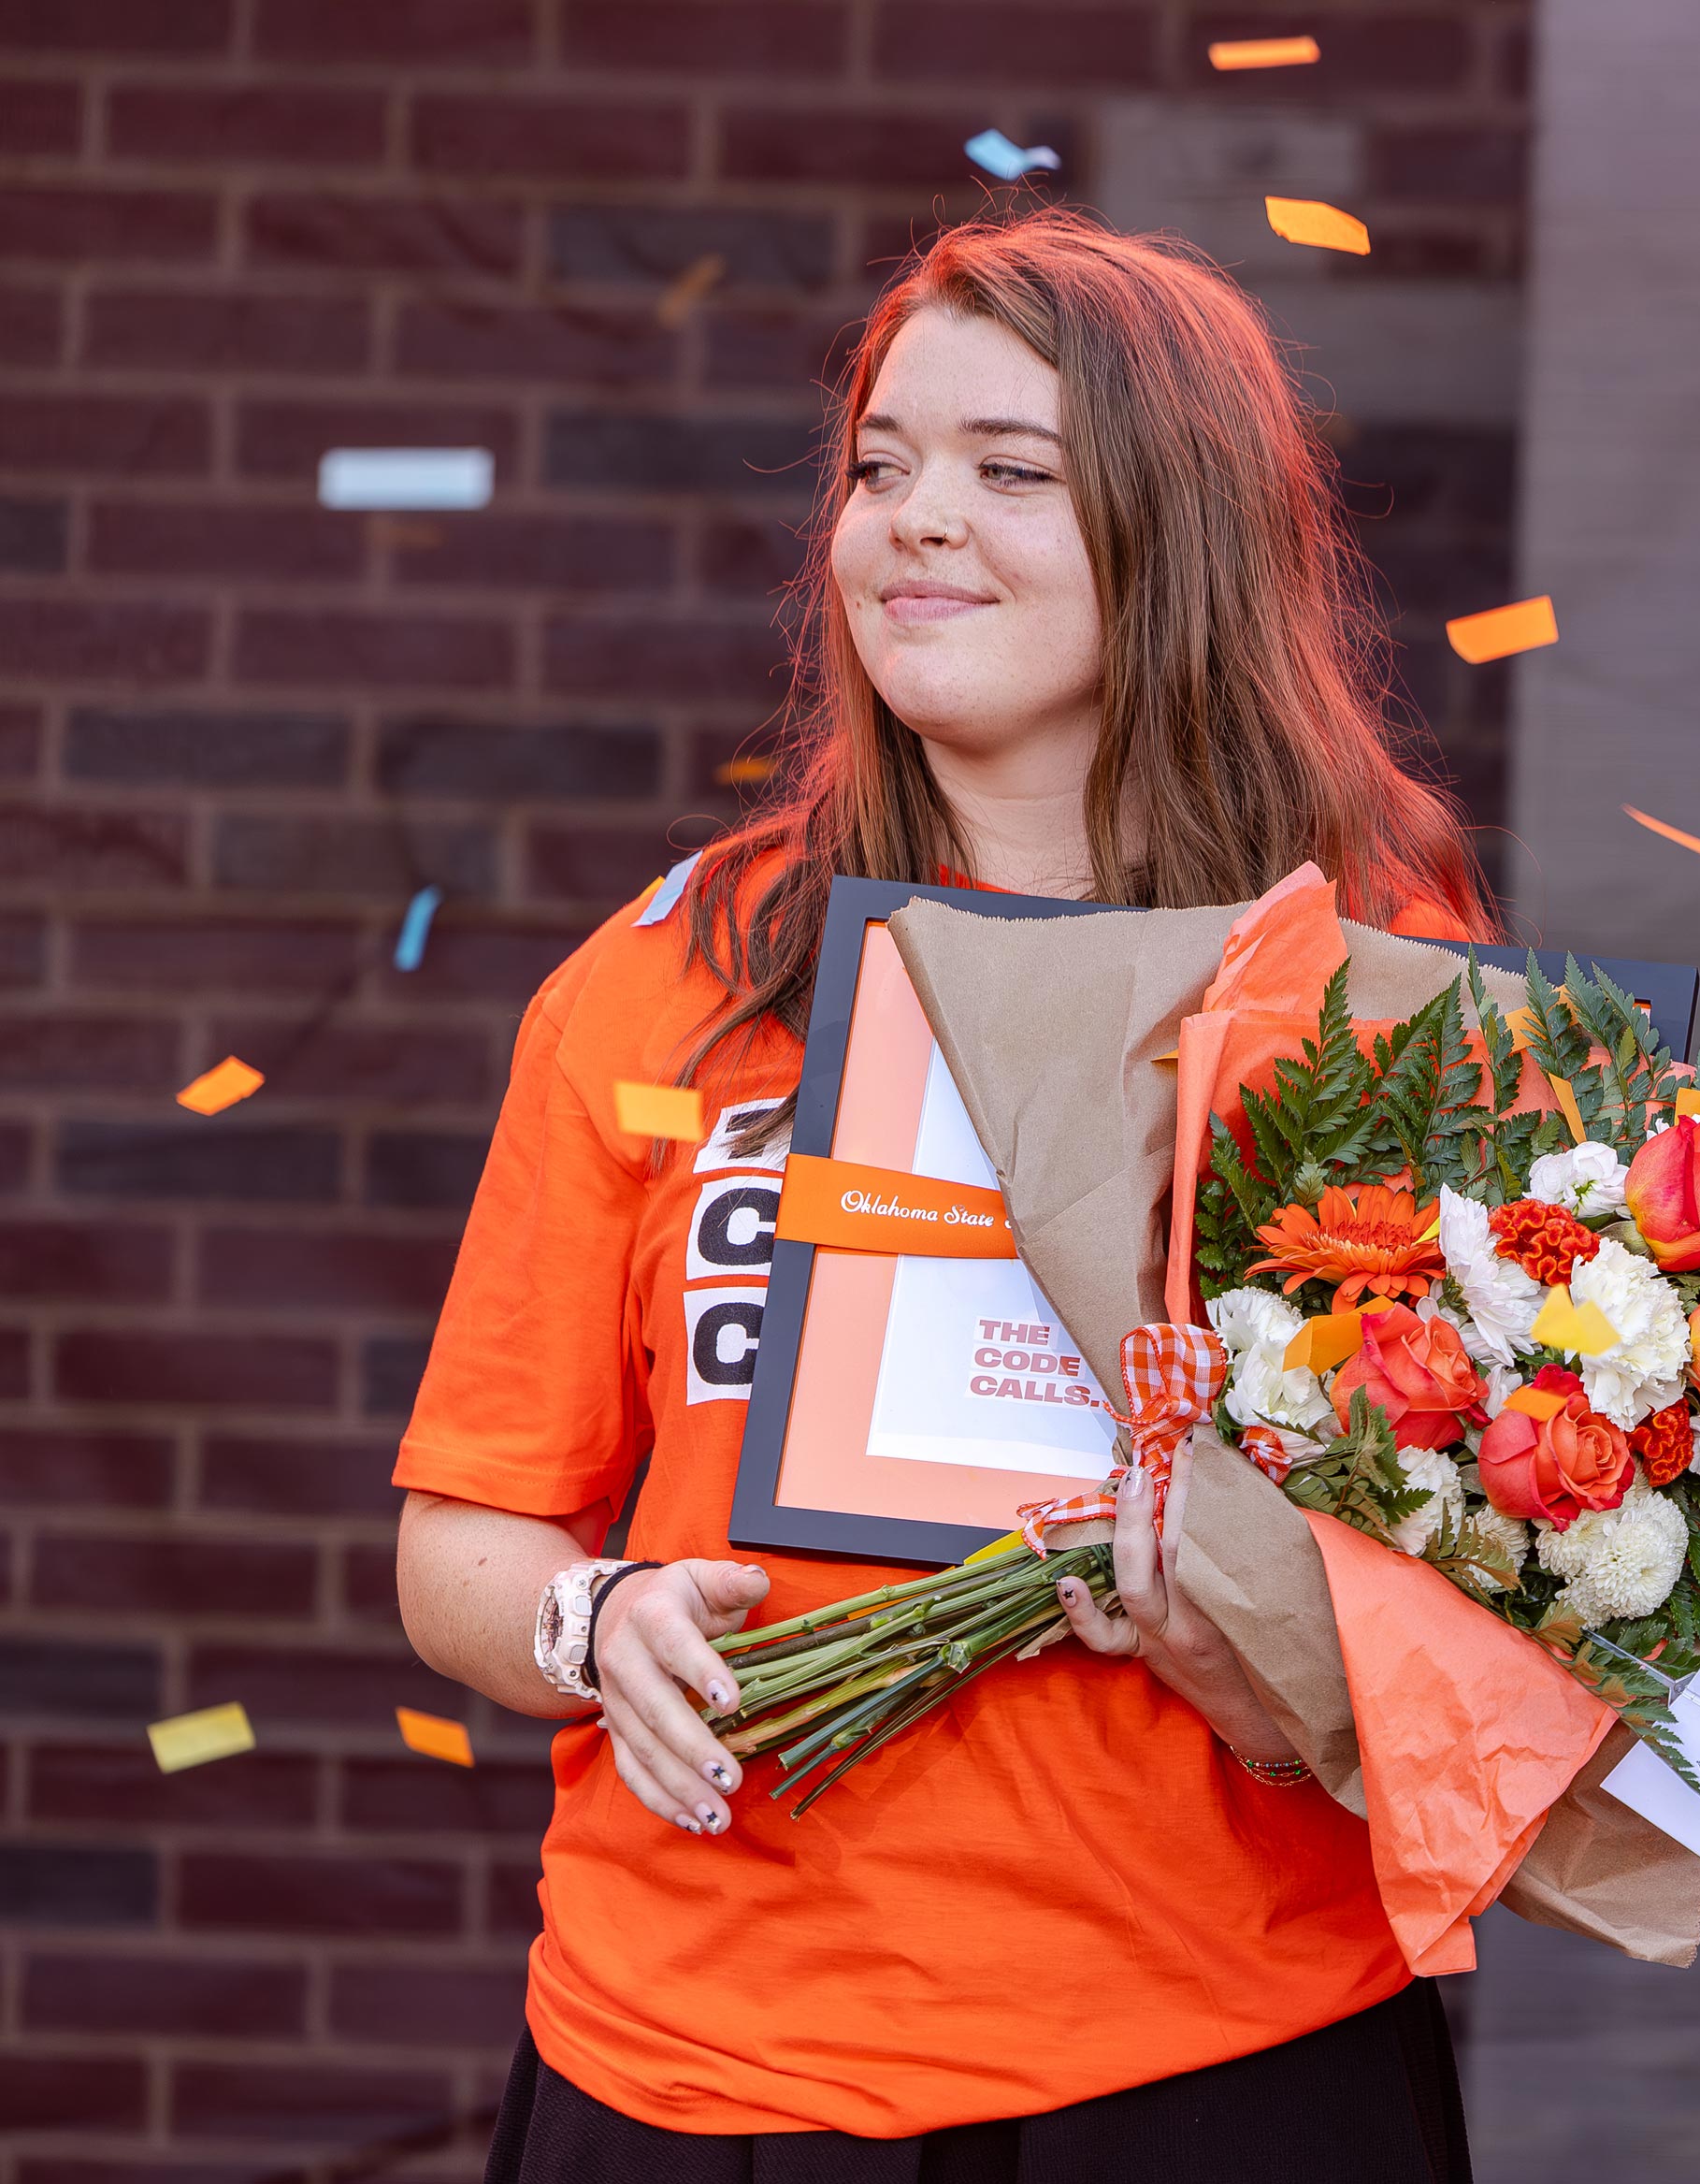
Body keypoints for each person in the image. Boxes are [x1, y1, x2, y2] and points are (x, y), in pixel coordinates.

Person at [394, 209, 1488, 2181]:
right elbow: (465, 1525)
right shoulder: (673, 969)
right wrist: (593, 1617)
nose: (913, 520)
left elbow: (1477, 1574)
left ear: (1180, 534)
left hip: (1219, 2050)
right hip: (688, 2059)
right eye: (882, 468)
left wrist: (1262, 1647)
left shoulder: (1366, 978)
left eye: (1009, 473)